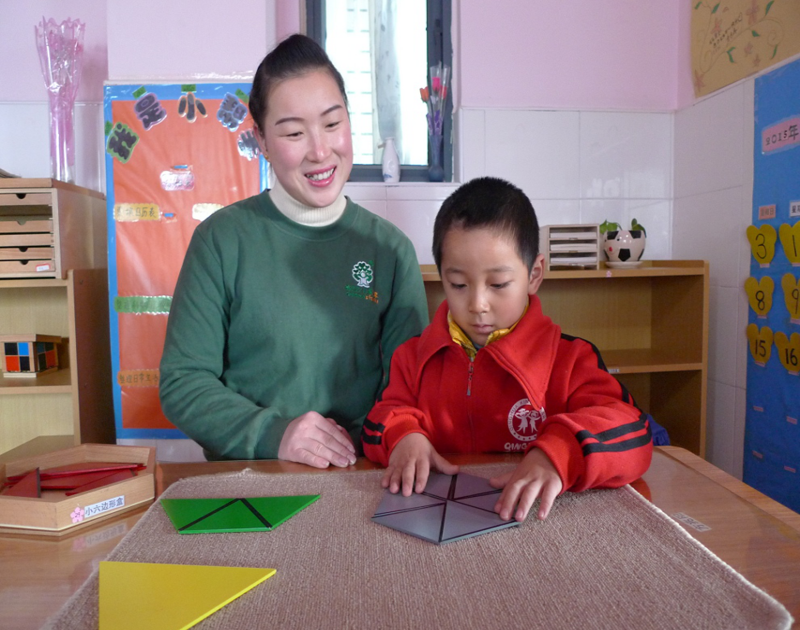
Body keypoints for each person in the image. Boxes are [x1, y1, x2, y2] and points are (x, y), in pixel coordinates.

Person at [159, 34, 429, 467]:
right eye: (294, 133)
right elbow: (183, 382)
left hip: (361, 477)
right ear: (262, 140)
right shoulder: (221, 241)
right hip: (252, 479)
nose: (320, 151)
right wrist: (274, 434)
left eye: (332, 124)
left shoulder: (390, 251)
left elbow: (410, 388)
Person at [362, 177, 653, 521]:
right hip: (440, 526)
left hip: (536, 528)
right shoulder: (413, 358)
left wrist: (558, 453)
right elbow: (379, 420)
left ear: (534, 274)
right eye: (458, 284)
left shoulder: (571, 360)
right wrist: (403, 437)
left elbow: (634, 433)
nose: (478, 304)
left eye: (498, 284)